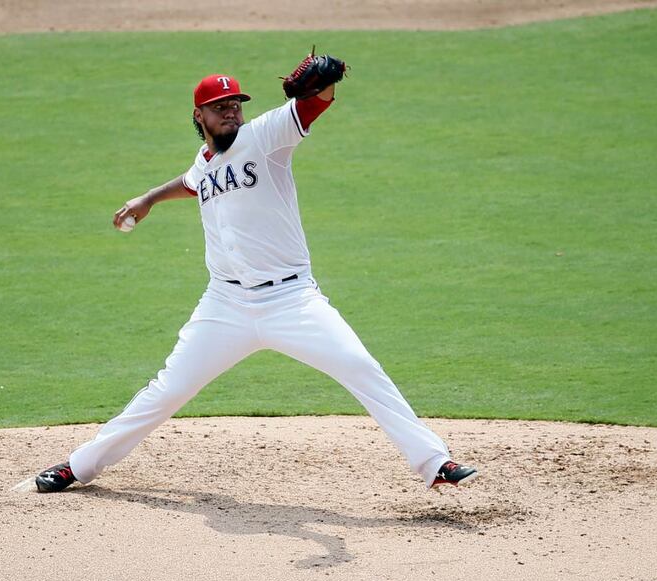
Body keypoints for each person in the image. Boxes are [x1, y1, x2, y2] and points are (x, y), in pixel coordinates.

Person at [35, 58, 477, 493]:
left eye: (236, 104)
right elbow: (192, 181)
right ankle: (79, 466)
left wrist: (328, 80)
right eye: (221, 105)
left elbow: (313, 105)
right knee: (167, 390)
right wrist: (148, 198)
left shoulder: (266, 135)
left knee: (360, 366)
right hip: (225, 305)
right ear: (199, 115)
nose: (231, 110)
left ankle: (434, 461)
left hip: (292, 301)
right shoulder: (205, 161)